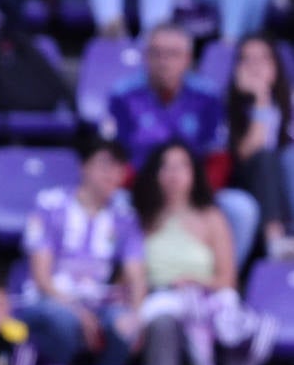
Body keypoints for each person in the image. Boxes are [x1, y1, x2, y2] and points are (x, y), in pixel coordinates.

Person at [104, 23, 260, 265]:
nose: (164, 61)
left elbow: (218, 156)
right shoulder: (123, 95)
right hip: (139, 189)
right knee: (115, 203)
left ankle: (223, 282)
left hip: (196, 190)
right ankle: (128, 277)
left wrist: (193, 194)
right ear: (145, 57)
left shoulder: (207, 96)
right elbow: (114, 157)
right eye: (156, 53)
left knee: (241, 207)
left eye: (173, 54)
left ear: (187, 59)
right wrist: (153, 190)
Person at [131, 139, 272, 365]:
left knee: (230, 323)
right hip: (159, 298)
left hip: (205, 297)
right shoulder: (142, 218)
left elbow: (228, 279)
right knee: (163, 322)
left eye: (181, 166)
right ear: (154, 174)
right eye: (166, 167)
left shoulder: (211, 217)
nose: (173, 175)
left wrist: (196, 283)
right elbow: (132, 273)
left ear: (194, 173)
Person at [18, 135, 148, 365]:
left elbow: (136, 273)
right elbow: (41, 279)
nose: (112, 174)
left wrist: (137, 315)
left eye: (119, 168)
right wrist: (75, 309)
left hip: (98, 301)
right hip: (50, 299)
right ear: (83, 166)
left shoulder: (125, 215)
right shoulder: (50, 205)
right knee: (63, 321)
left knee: (124, 324)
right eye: (104, 165)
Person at [226, 34, 294, 260]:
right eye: (248, 60)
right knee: (266, 158)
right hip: (245, 183)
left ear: (276, 65)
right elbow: (246, 153)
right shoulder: (228, 105)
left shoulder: (289, 102)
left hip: (286, 183)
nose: (256, 67)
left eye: (263, 59)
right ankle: (274, 240)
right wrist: (261, 101)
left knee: (290, 158)